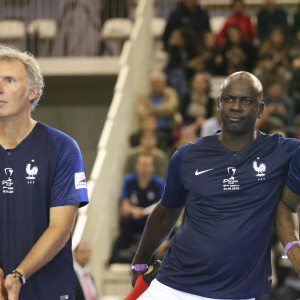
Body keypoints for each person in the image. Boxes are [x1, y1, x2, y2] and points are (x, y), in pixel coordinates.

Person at [130, 71, 300, 299]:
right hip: (173, 283)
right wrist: (140, 263)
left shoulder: (283, 152)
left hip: (238, 292)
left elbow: (288, 206)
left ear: (260, 109)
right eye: (228, 99)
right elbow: (164, 214)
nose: (236, 106)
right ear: (218, 105)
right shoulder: (186, 156)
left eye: (246, 101)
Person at [0, 45, 89, 300]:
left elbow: (60, 228)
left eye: (9, 80)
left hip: (49, 290)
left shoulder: (62, 148)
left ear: (32, 91)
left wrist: (18, 275)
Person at [109, 154, 165, 264]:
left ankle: (150, 260)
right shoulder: (129, 180)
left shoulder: (158, 183)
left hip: (149, 219)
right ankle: (116, 258)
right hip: (133, 218)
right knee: (125, 221)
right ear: (137, 166)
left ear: (152, 167)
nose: (145, 167)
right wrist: (135, 210)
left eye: (147, 165)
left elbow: (159, 206)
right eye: (142, 164)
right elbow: (124, 206)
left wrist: (144, 212)